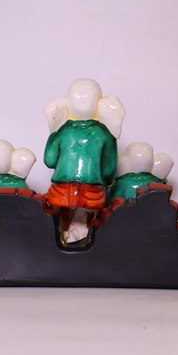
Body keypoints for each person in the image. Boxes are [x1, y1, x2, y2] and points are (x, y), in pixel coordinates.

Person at [44, 78, 125, 243]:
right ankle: (82, 240)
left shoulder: (63, 131)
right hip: (93, 191)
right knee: (88, 214)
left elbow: (49, 160)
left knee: (62, 213)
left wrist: (53, 134)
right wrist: (106, 183)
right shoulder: (105, 135)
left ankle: (64, 239)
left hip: (62, 189)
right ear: (99, 104)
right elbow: (109, 170)